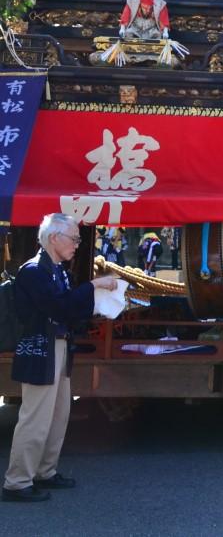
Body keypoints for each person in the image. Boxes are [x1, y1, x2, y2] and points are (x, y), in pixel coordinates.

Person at [4, 213, 119, 502]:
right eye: (74, 238)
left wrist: (99, 304)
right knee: (36, 418)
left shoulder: (56, 269)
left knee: (58, 415)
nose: (78, 245)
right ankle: (17, 482)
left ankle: (46, 471)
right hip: (40, 347)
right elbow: (59, 307)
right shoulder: (33, 271)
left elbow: (69, 310)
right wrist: (93, 287)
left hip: (58, 344)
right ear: (54, 238)